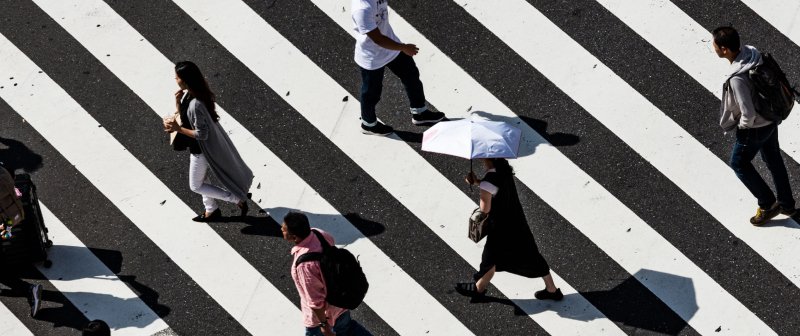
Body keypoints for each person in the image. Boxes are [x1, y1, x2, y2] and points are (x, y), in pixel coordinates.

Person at [712, 26, 796, 225]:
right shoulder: (752, 54)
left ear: (724, 49)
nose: (713, 47)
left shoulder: (737, 78)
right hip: (771, 118)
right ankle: (786, 203)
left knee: (738, 163)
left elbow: (747, 113)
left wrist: (742, 127)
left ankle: (767, 204)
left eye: (715, 45)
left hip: (755, 128)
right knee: (774, 160)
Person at [456, 158, 562, 301]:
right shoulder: (504, 170)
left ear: (488, 159)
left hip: (500, 228)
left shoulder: (489, 181)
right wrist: (478, 183)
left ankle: (478, 289)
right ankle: (552, 289)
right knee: (531, 254)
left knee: (490, 259)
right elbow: (495, 188)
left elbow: (485, 209)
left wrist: (481, 190)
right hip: (516, 220)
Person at [164, 61, 253, 222]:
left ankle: (236, 199)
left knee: (195, 185)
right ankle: (211, 209)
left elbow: (201, 134)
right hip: (198, 148)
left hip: (201, 151)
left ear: (185, 79)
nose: (175, 79)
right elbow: (186, 117)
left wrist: (177, 129)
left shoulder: (195, 103)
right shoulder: (191, 94)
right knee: (202, 179)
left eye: (177, 77)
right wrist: (177, 105)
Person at [351, 0, 446, 136]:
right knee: (371, 92)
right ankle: (368, 124)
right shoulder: (361, 10)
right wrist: (404, 47)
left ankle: (419, 112)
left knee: (411, 75)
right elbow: (377, 39)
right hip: (372, 56)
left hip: (391, 47)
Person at [281, 212, 372, 336]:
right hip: (340, 302)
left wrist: (324, 326)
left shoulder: (305, 265)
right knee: (348, 329)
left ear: (294, 237)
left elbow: (315, 301)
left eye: (284, 228)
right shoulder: (319, 234)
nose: (281, 228)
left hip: (321, 317)